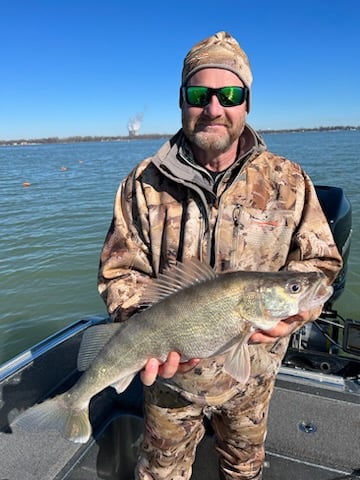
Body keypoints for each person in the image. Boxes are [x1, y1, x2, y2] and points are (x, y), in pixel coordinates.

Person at [98, 31, 342, 480]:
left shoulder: (288, 179)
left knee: (243, 470)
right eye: (199, 94)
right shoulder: (141, 183)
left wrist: (298, 312)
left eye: (230, 94)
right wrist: (146, 332)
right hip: (171, 383)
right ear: (181, 101)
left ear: (246, 102)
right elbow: (120, 274)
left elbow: (319, 265)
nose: (214, 107)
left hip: (253, 379)